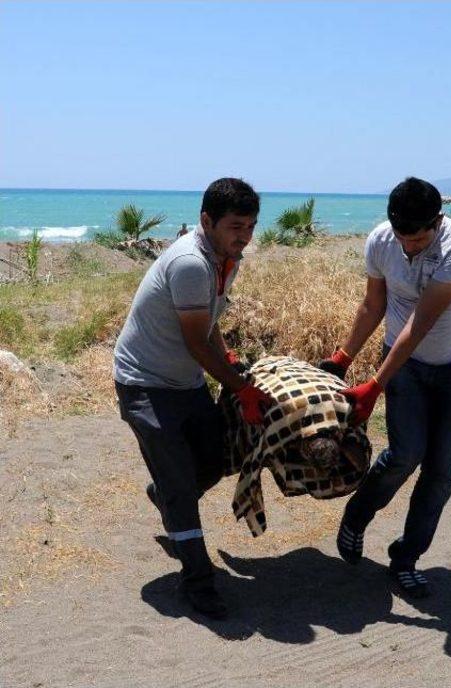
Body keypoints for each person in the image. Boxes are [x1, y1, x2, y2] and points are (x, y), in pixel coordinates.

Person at [113, 177, 274, 617]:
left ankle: (164, 495)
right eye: (236, 226)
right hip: (144, 383)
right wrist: (242, 389)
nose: (245, 236)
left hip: (185, 382)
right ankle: (199, 582)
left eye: (252, 226)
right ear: (207, 221)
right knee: (183, 486)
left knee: (217, 459)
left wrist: (230, 358)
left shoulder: (226, 258)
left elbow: (207, 320)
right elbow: (195, 343)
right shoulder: (190, 263)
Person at [319, 177, 451, 598]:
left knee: (440, 472)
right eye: (401, 237)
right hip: (404, 367)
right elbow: (373, 305)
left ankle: (406, 558)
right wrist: (343, 357)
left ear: (438, 222)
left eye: (418, 239)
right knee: (404, 454)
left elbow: (419, 324)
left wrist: (375, 385)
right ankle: (358, 514)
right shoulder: (380, 242)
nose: (408, 247)